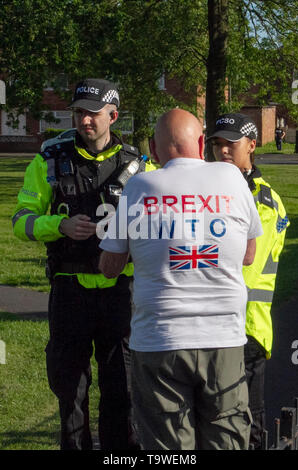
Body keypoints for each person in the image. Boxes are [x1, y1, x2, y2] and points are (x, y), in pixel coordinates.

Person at [99, 108, 263, 450]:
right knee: (226, 441)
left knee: (168, 448)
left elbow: (110, 266)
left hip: (159, 340)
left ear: (155, 152)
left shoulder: (139, 186)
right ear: (202, 143)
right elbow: (249, 255)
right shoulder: (232, 179)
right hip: (223, 338)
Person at [12, 78, 155, 450]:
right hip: (69, 290)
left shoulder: (140, 168)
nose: (84, 121)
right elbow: (21, 220)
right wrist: (58, 225)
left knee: (119, 388)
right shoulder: (49, 159)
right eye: (78, 113)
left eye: (92, 114)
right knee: (69, 387)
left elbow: (159, 226)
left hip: (120, 293)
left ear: (113, 116)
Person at [206, 113, 289, 449]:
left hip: (245, 328)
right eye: (217, 144)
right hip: (215, 323)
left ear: (252, 146)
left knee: (245, 420)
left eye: (231, 144)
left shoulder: (264, 202)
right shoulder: (207, 190)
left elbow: (244, 259)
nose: (223, 151)